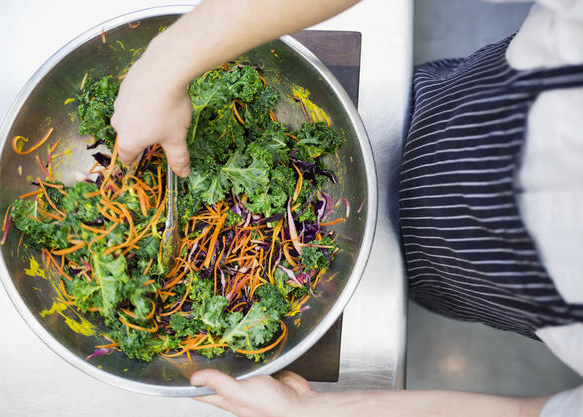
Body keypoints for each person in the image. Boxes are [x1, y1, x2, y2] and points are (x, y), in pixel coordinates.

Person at [111, 0, 583, 415]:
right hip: (434, 109)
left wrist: (314, 413)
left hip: (454, 275)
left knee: (418, 282)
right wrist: (166, 63)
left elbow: (530, 412)